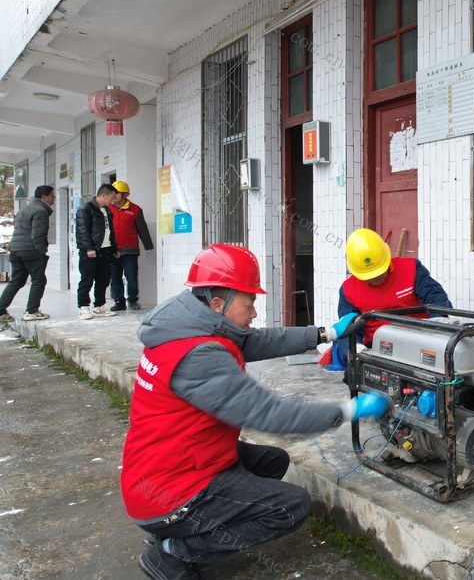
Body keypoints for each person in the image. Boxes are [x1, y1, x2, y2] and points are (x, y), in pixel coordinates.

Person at [121, 244, 391, 580]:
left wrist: (328, 333)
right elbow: (270, 414)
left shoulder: (191, 327)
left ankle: (183, 529)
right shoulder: (198, 356)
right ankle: (173, 553)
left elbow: (260, 341)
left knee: (272, 462)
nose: (254, 313)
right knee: (289, 506)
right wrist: (347, 410)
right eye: (249, 303)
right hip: (169, 492)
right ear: (218, 303)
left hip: (170, 462)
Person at [330, 228, 452, 354]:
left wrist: (439, 326)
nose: (375, 278)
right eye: (369, 276)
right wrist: (354, 347)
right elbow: (348, 326)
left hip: (421, 342)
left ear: (386, 259)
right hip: (376, 347)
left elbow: (436, 298)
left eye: (378, 272)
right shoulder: (349, 290)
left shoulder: (411, 270)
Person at [0, 185, 55, 322]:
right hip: (31, 251)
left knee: (16, 281)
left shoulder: (24, 209)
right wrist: (41, 251)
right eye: (52, 196)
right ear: (44, 197)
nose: (53, 199)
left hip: (16, 250)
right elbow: (38, 234)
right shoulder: (40, 211)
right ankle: (32, 311)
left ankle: (0, 311)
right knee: (39, 280)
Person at [108, 180, 154, 311]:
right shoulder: (107, 208)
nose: (114, 195)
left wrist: (148, 246)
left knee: (131, 276)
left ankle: (133, 301)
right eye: (113, 193)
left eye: (117, 193)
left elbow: (142, 229)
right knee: (115, 277)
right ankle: (119, 302)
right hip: (112, 250)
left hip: (130, 249)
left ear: (125, 194)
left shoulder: (135, 210)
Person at [75, 183, 119, 319]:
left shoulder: (107, 210)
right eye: (112, 197)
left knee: (103, 279)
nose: (113, 200)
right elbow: (82, 230)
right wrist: (89, 248)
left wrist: (114, 248)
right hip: (91, 251)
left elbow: (110, 231)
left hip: (106, 250)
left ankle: (99, 306)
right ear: (103, 195)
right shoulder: (85, 209)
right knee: (87, 279)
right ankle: (83, 307)